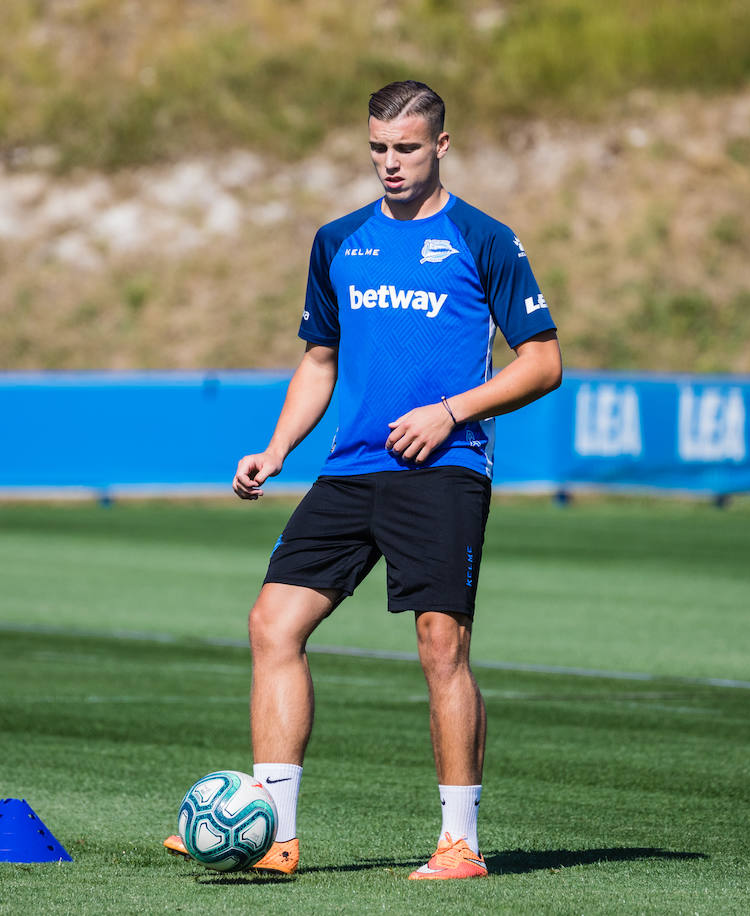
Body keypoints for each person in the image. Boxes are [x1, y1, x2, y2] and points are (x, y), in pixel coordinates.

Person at [164, 79, 562, 878]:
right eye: (378, 147)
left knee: (440, 645)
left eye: (406, 148)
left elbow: (543, 362)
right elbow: (319, 361)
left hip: (445, 466)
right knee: (271, 624)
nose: (389, 162)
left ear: (441, 147)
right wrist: (276, 450)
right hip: (350, 469)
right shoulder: (339, 240)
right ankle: (275, 831)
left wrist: (450, 413)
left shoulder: (485, 239)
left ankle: (460, 844)